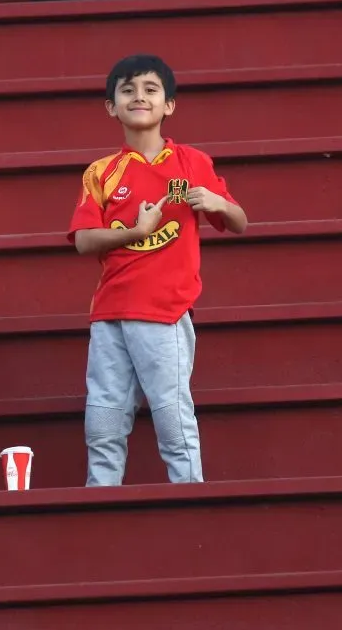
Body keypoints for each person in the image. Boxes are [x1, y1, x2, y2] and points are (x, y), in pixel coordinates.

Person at [68, 54, 248, 486]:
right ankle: (101, 494)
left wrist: (218, 203)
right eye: (127, 90)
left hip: (165, 311)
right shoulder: (101, 172)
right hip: (110, 310)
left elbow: (239, 221)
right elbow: (82, 240)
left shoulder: (192, 163)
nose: (139, 97)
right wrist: (134, 231)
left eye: (151, 89)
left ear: (170, 104)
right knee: (104, 415)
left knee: (172, 414)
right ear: (111, 106)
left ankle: (190, 494)